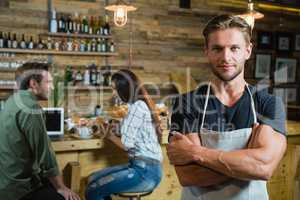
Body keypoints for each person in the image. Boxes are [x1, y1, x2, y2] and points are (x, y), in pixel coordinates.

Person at [167, 14, 287, 200]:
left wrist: (195, 153)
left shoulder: (268, 103)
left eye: (234, 48)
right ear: (206, 51)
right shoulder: (185, 104)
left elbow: (264, 168)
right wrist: (248, 161)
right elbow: (189, 176)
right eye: (217, 48)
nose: (226, 57)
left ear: (247, 51)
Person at [0, 62, 80, 200]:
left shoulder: (11, 100)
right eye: (48, 82)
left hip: (6, 182)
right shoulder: (31, 109)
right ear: (33, 84)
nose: (52, 87)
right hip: (19, 190)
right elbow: (46, 157)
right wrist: (61, 188)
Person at [85, 69, 163, 200]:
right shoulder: (138, 105)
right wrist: (110, 128)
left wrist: (108, 134)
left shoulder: (137, 107)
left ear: (125, 89)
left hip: (145, 172)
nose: (114, 94)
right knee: (93, 179)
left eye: (115, 89)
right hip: (142, 167)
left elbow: (127, 145)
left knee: (93, 190)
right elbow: (131, 130)